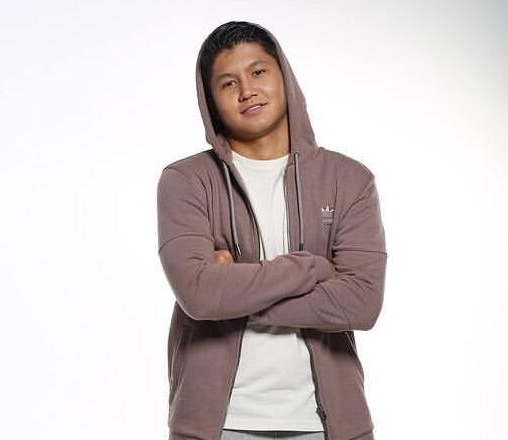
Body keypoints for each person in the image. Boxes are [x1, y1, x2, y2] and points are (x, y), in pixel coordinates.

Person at [157, 21, 387, 440]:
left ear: (284, 76)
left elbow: (362, 304)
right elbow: (199, 295)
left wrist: (232, 290)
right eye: (228, 83)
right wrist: (315, 268)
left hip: (329, 425)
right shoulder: (186, 181)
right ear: (210, 101)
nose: (247, 91)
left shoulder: (349, 180)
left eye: (258, 72)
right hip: (216, 424)